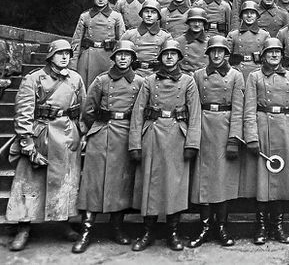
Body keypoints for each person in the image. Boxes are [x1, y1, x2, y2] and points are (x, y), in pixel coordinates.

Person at [6, 39, 86, 252]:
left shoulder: (76, 79)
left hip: (68, 135)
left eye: (68, 54)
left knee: (66, 181)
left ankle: (64, 222)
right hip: (41, 134)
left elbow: (82, 109)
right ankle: (24, 226)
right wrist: (27, 142)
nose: (65, 57)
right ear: (50, 56)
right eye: (60, 53)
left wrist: (82, 134)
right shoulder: (33, 79)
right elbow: (23, 113)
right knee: (30, 183)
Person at [128, 38, 201, 251]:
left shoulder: (188, 81)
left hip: (178, 134)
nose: (169, 57)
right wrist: (135, 144)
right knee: (150, 182)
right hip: (152, 132)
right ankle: (148, 231)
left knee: (175, 184)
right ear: (160, 57)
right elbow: (138, 112)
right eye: (165, 54)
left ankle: (173, 232)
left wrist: (192, 144)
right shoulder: (149, 81)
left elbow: (195, 114)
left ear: (179, 57)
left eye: (173, 54)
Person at [73, 40, 144, 253]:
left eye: (127, 55)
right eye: (119, 55)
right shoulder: (101, 80)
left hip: (125, 135)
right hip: (102, 132)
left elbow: (141, 110)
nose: (123, 58)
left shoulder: (140, 82)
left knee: (120, 182)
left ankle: (117, 227)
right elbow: (89, 109)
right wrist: (94, 128)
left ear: (133, 59)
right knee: (93, 182)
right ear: (113, 58)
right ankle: (86, 231)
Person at [244, 38, 289, 244]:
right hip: (262, 127)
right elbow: (249, 109)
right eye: (270, 52)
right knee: (263, 180)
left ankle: (278, 226)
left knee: (281, 180)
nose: (274, 55)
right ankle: (261, 226)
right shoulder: (254, 77)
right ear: (262, 55)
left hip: (285, 129)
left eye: (278, 52)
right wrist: (251, 137)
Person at [189, 35, 244, 249]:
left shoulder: (236, 76)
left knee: (222, 180)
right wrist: (193, 137)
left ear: (227, 54)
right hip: (203, 126)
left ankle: (221, 225)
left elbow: (239, 108)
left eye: (221, 51)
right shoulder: (197, 75)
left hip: (224, 127)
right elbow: (192, 108)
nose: (217, 55)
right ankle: (204, 226)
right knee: (203, 180)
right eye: (213, 51)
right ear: (208, 53)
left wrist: (234, 138)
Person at [70, 0, 126, 90]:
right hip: (88, 56)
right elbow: (76, 41)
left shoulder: (116, 16)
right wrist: (73, 64)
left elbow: (122, 41)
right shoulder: (85, 16)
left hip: (109, 57)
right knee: (86, 88)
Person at [122, 0, 171, 76]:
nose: (149, 15)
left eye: (153, 12)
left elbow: (170, 57)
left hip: (156, 74)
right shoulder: (130, 34)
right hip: (133, 73)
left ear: (158, 16)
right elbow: (119, 54)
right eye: (146, 11)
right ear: (141, 14)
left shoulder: (165, 36)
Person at [227, 0, 271, 83]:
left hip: (258, 70)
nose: (249, 16)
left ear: (257, 16)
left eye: (252, 13)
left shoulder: (264, 35)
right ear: (241, 16)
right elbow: (226, 56)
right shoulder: (233, 35)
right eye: (246, 13)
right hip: (238, 70)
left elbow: (269, 56)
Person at [176, 7, 210, 73]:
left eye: (200, 21)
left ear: (204, 23)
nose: (197, 24)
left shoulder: (209, 42)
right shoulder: (179, 42)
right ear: (188, 22)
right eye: (193, 21)